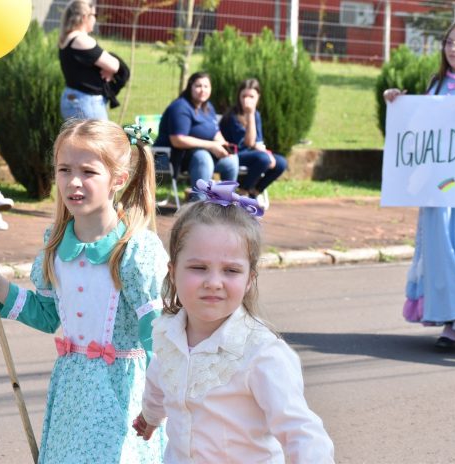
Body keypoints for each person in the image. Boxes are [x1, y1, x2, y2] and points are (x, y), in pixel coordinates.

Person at [0, 120, 168, 462]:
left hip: (122, 392)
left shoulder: (134, 250)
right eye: (64, 170)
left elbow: (157, 335)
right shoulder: (56, 245)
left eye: (88, 172)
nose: (74, 181)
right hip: (72, 391)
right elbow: (48, 316)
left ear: (118, 179)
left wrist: (158, 403)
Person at [132, 181, 335, 462]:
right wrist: (150, 416)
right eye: (198, 267)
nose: (213, 282)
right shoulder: (167, 334)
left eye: (230, 270)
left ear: (250, 279)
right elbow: (158, 380)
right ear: (173, 271)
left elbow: (300, 431)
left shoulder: (262, 353)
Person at [384, 19, 455, 350]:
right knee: (441, 249)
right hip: (440, 187)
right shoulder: (436, 85)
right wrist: (398, 104)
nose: (453, 49)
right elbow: (419, 128)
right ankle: (453, 319)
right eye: (449, 42)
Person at [154, 72, 239, 201]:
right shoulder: (180, 107)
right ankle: (199, 203)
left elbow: (215, 132)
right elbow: (177, 140)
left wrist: (224, 146)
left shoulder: (208, 107)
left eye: (206, 86)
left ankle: (225, 203)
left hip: (199, 157)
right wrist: (211, 146)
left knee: (232, 160)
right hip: (171, 157)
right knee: (203, 157)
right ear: (190, 87)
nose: (202, 90)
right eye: (198, 86)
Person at [220, 78, 288, 200]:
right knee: (263, 159)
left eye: (251, 96)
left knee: (281, 163)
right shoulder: (233, 116)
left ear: (258, 97)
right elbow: (249, 142)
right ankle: (243, 191)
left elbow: (258, 142)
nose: (247, 100)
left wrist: (266, 153)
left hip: (252, 153)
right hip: (234, 154)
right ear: (238, 97)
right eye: (243, 96)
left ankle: (255, 191)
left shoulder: (256, 114)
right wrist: (250, 114)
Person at [58, 0, 120, 120]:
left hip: (71, 97)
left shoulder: (67, 38)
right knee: (97, 133)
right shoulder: (81, 40)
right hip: (86, 101)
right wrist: (109, 68)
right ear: (85, 17)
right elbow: (114, 65)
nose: (95, 19)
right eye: (94, 15)